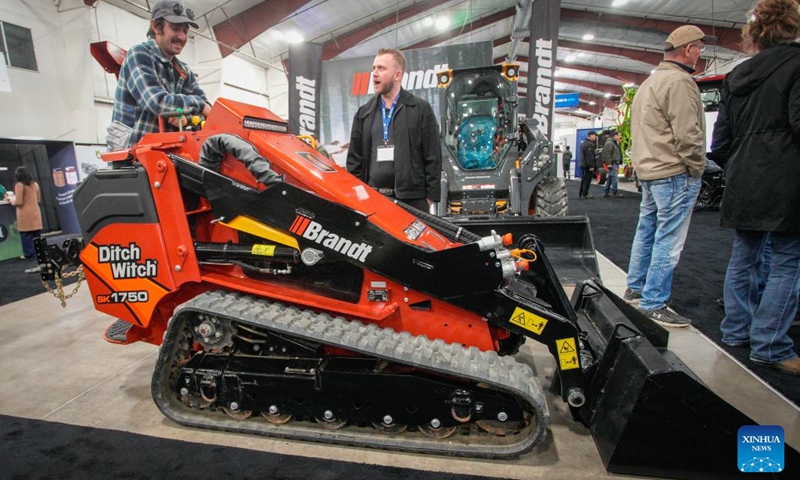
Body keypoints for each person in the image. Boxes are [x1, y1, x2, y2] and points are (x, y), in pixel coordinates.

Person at [710, 0, 800, 375]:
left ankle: (736, 330)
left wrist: (743, 165)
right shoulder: (797, 65)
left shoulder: (737, 75)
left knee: (744, 257)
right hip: (786, 175)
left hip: (744, 176)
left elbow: (721, 141)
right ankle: (770, 344)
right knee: (786, 262)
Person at [623, 25, 713, 327]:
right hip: (674, 172)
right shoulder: (680, 82)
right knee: (668, 239)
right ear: (688, 49)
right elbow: (688, 134)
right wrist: (697, 166)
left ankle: (635, 289)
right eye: (700, 47)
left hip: (650, 171)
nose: (701, 54)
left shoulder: (649, 84)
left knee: (646, 230)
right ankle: (653, 302)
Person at [346, 48, 441, 212]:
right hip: (374, 200)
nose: (374, 73)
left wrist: (429, 198)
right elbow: (355, 160)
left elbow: (433, 156)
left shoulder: (419, 109)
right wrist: (359, 197)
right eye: (373, 68)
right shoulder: (364, 113)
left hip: (412, 201)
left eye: (381, 68)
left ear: (397, 75)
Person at [108, 1, 211, 150]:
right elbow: (157, 102)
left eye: (185, 31)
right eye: (175, 29)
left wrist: (186, 118)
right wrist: (200, 106)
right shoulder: (139, 55)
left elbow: (207, 113)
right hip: (132, 157)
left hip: (166, 155)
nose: (181, 37)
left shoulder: (183, 70)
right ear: (156, 27)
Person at [9, 166, 42, 261]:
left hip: (24, 213)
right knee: (36, 233)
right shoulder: (35, 184)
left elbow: (19, 202)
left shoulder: (19, 185)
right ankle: (39, 252)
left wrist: (11, 200)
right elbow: (38, 199)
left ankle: (29, 253)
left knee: (26, 234)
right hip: (35, 212)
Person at [601, 131, 624, 198]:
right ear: (615, 135)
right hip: (612, 163)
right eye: (619, 135)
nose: (620, 137)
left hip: (614, 163)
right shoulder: (609, 143)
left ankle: (606, 192)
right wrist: (608, 164)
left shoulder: (614, 143)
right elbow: (607, 154)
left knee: (610, 178)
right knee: (614, 178)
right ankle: (614, 192)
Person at [578, 131, 598, 199]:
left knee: (584, 179)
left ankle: (581, 194)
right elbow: (589, 156)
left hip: (583, 164)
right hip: (587, 165)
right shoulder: (589, 144)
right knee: (587, 180)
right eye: (595, 135)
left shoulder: (584, 143)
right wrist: (591, 166)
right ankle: (584, 194)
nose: (595, 137)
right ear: (591, 135)